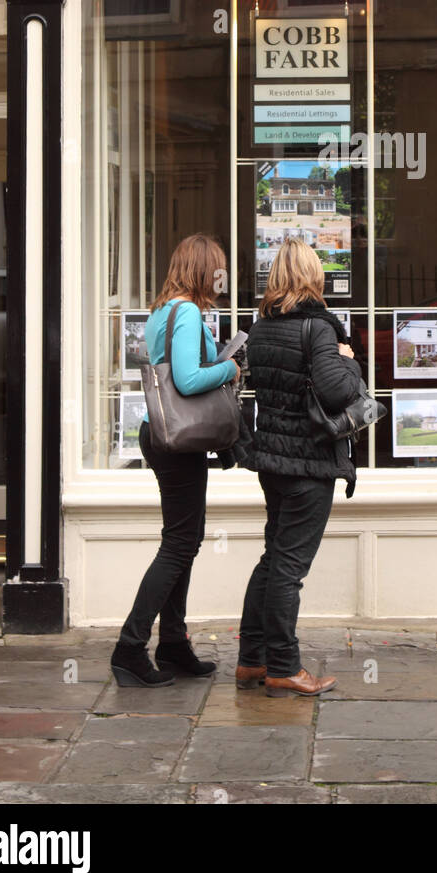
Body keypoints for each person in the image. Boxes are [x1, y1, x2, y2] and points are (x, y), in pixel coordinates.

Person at [110, 234, 239, 688]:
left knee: (185, 537)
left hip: (163, 432)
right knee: (180, 542)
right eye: (218, 269)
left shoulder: (162, 311)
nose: (221, 277)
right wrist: (230, 368)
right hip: (176, 439)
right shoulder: (185, 312)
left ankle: (173, 644)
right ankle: (130, 647)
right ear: (204, 269)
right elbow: (186, 378)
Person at [236, 237, 362, 698]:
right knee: (289, 566)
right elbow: (336, 392)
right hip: (309, 463)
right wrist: (351, 362)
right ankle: (284, 666)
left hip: (272, 460)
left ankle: (252, 659)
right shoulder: (319, 328)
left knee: (273, 558)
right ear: (314, 277)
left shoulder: (262, 327)